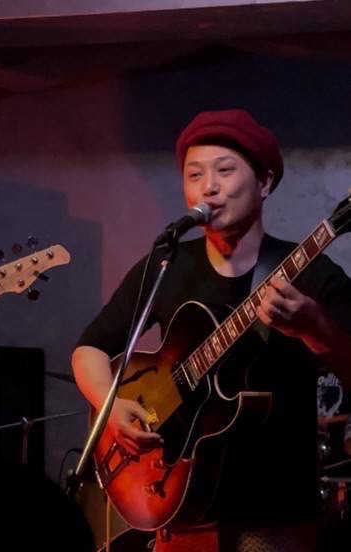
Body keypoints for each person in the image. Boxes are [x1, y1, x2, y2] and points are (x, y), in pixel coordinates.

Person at [71, 109, 351, 551]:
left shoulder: (312, 273)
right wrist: (111, 405)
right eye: (194, 174)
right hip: (178, 509)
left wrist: (314, 326)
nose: (209, 187)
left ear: (265, 182)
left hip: (273, 516)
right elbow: (89, 348)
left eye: (224, 170)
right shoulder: (167, 266)